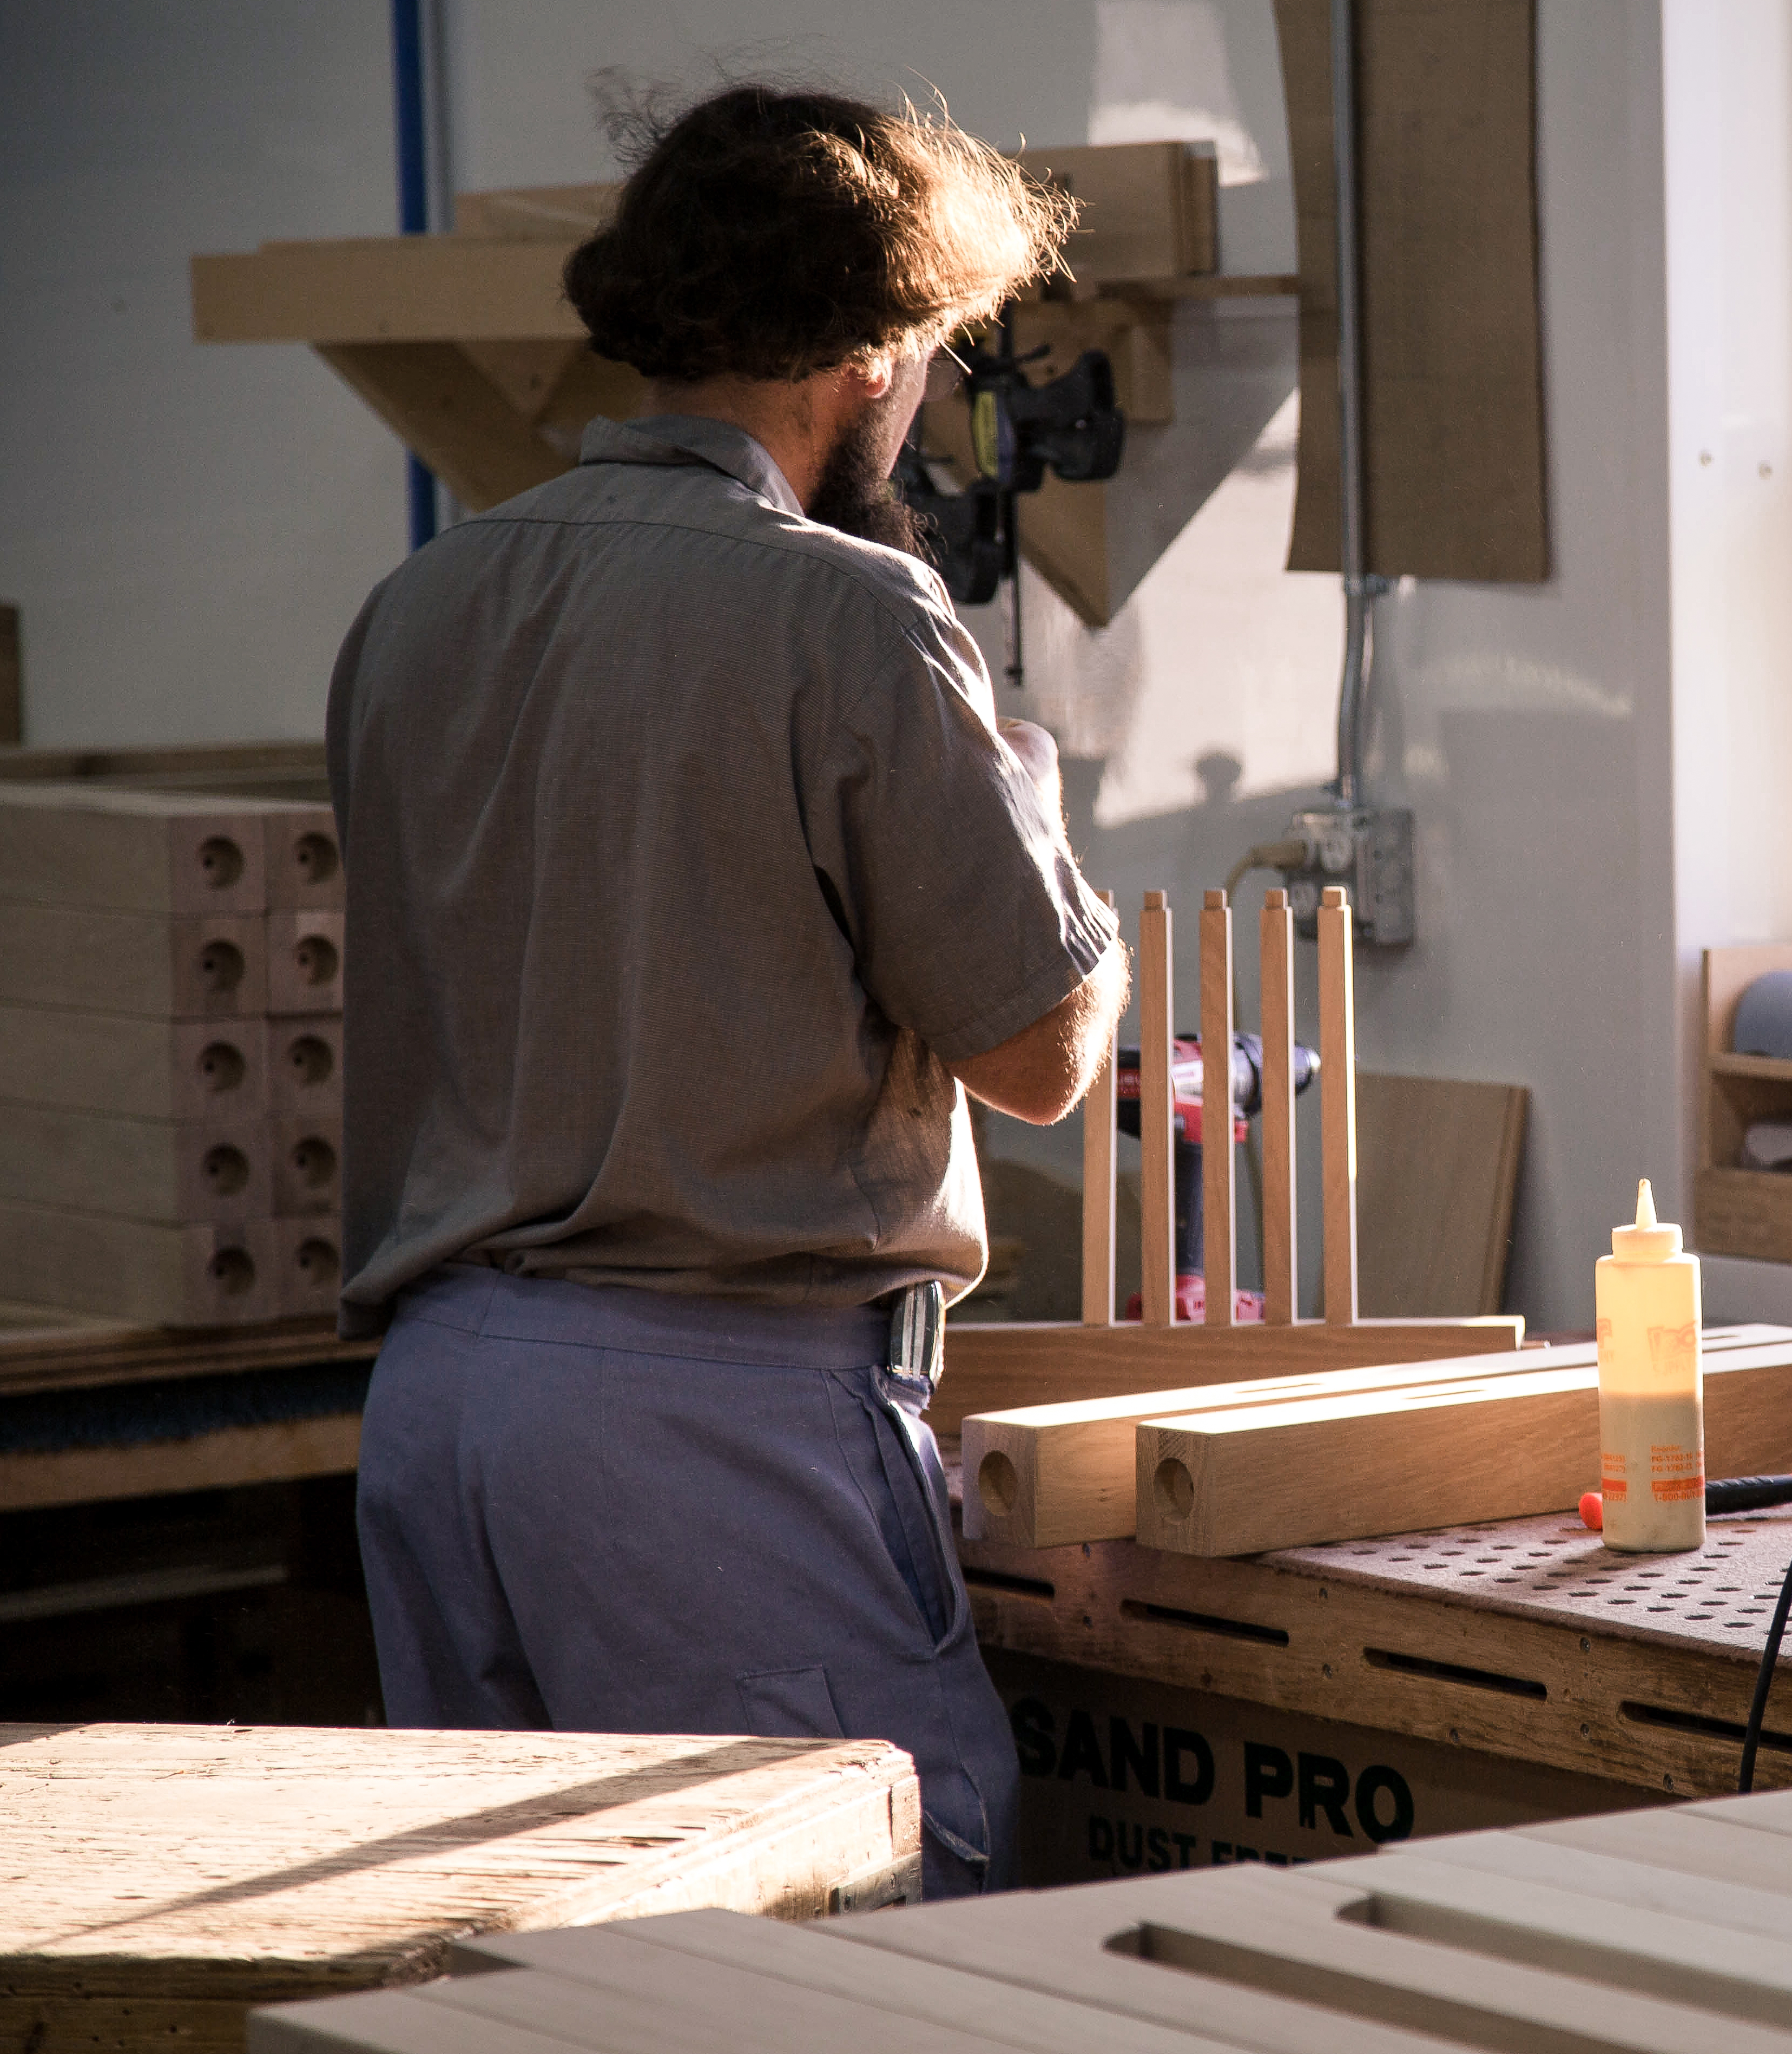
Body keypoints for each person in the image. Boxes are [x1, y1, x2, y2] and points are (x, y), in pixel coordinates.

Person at [326, 83, 1124, 1899]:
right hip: (706, 1426)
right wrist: (1025, 783)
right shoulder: (845, 613)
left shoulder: (421, 606)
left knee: (524, 1979)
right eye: (924, 357)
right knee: (855, 1959)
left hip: (446, 1406)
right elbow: (1037, 1048)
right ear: (867, 353)